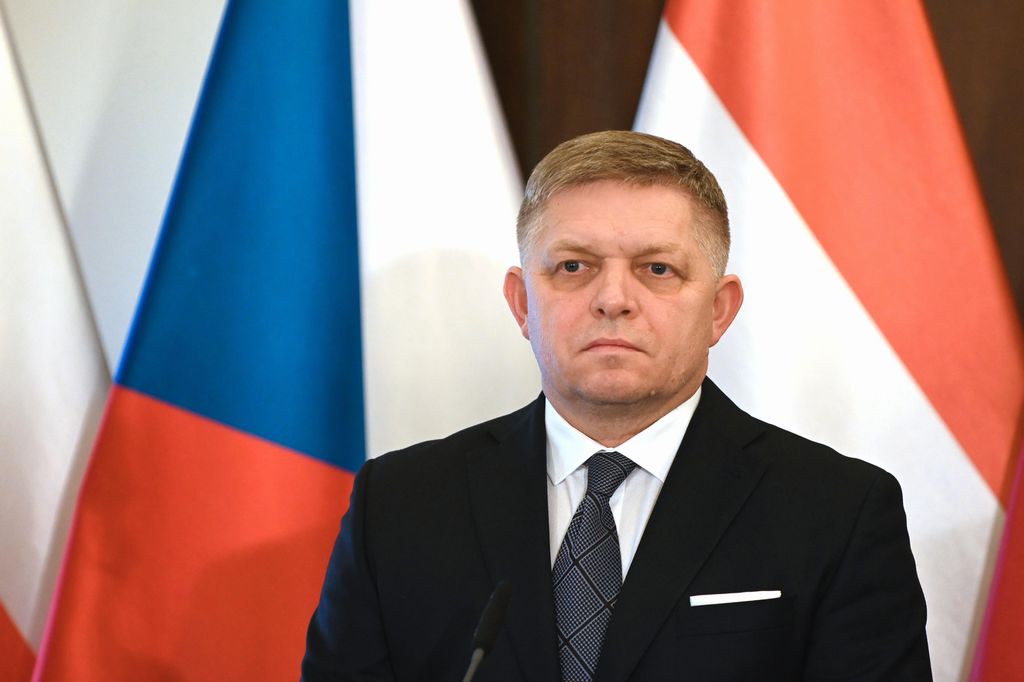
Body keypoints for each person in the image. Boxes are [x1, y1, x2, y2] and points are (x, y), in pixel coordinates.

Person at [301, 131, 931, 681]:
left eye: (656, 269)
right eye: (574, 266)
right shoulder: (399, 506)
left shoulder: (838, 512)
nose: (612, 299)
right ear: (522, 304)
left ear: (719, 310)